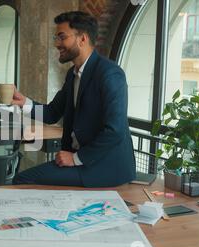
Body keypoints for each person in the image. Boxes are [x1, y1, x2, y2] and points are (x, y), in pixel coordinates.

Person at [11, 11, 136, 187]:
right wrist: (23, 102)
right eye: (56, 37)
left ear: (82, 39)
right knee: (25, 179)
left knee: (22, 179)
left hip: (104, 167)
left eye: (62, 37)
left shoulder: (110, 74)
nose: (56, 44)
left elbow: (114, 131)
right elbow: (52, 113)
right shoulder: (73, 74)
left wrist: (76, 158)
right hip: (81, 161)